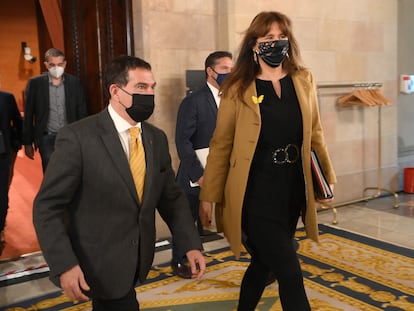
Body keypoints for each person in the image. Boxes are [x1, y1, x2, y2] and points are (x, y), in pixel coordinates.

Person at [33, 55, 206, 310]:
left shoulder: (155, 139)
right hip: (97, 261)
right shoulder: (78, 137)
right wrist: (64, 264)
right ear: (115, 91)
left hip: (137, 259)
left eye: (152, 88)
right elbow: (48, 207)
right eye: (140, 88)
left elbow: (171, 198)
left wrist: (190, 244)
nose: (149, 95)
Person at [199, 11, 336, 311]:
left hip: (291, 187)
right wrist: (209, 196)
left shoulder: (303, 78)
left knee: (263, 262)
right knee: (289, 270)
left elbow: (315, 132)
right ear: (254, 44)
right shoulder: (237, 87)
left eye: (282, 36)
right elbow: (221, 145)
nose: (277, 43)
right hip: (255, 190)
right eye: (269, 38)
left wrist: (325, 180)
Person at [172, 51, 233, 278]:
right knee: (187, 218)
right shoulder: (193, 101)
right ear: (210, 71)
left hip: (225, 169)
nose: (230, 73)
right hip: (195, 171)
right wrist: (198, 174)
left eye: (232, 69)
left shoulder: (234, 98)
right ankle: (180, 260)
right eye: (225, 69)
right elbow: (182, 140)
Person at [23, 47, 88, 172]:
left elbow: (81, 111)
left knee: (72, 172)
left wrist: (84, 138)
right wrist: (27, 142)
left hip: (70, 136)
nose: (56, 68)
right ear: (46, 65)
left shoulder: (74, 82)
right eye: (52, 64)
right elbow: (29, 114)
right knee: (51, 173)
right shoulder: (35, 83)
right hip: (46, 137)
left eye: (59, 64)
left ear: (64, 64)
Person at [0, 89, 22, 255]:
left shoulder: (6, 98)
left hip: (2, 154)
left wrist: (15, 144)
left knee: (1, 194)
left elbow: (17, 122)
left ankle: (0, 228)